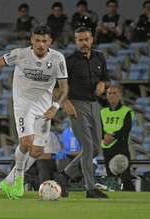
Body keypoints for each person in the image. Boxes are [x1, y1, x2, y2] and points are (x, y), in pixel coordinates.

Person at [0, 25, 69, 199]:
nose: (40, 44)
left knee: (37, 152)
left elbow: (64, 88)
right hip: (23, 105)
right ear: (32, 40)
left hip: (44, 109)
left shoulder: (58, 59)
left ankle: (8, 181)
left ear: (50, 42)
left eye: (44, 41)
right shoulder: (20, 54)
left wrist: (55, 107)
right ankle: (18, 180)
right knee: (26, 142)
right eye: (37, 40)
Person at [59, 26, 109, 199]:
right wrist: (65, 102)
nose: (84, 43)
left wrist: (103, 84)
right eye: (80, 40)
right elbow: (59, 85)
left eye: (86, 39)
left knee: (95, 149)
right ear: (76, 41)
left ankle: (64, 175)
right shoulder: (69, 61)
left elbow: (105, 77)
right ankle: (90, 188)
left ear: (92, 39)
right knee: (87, 147)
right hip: (76, 105)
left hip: (95, 105)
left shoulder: (100, 57)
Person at [100, 84, 135, 191]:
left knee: (125, 176)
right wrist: (104, 137)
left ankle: (131, 196)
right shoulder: (103, 112)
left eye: (114, 93)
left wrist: (112, 136)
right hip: (106, 147)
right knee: (111, 177)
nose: (111, 95)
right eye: (109, 93)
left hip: (121, 147)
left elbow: (126, 129)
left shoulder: (126, 111)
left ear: (119, 95)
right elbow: (99, 128)